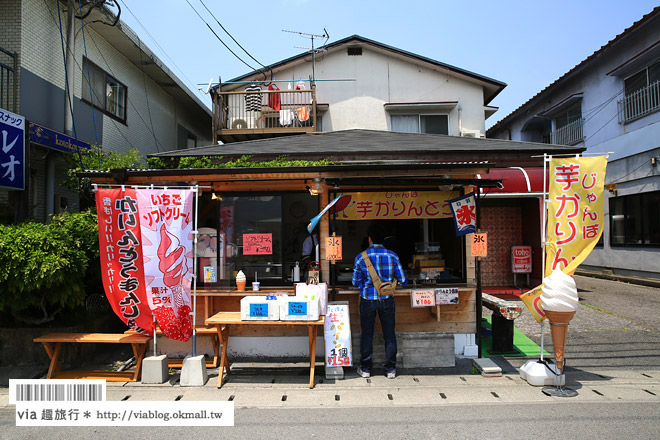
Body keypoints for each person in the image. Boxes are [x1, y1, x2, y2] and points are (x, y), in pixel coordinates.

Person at [352, 223, 407, 379]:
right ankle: (390, 370)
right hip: (387, 299)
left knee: (366, 335)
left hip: (367, 300)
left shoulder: (360, 257)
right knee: (389, 335)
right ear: (383, 240)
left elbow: (355, 283)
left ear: (369, 239)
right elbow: (403, 280)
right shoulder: (393, 256)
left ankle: (366, 369)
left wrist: (366, 284)